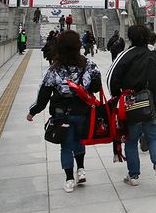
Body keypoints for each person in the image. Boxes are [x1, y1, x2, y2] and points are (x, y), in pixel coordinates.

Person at [26, 30, 102, 193]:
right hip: (83, 112)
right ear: (78, 46)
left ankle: (69, 179)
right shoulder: (89, 65)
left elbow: (43, 96)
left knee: (66, 146)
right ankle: (80, 169)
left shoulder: (54, 69)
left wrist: (33, 111)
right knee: (78, 141)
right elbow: (96, 86)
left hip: (62, 115)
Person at [107, 25, 156, 190]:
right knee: (154, 137)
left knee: (131, 141)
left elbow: (111, 78)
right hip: (153, 106)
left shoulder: (126, 55)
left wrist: (116, 97)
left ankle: (133, 175)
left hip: (132, 105)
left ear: (130, 38)